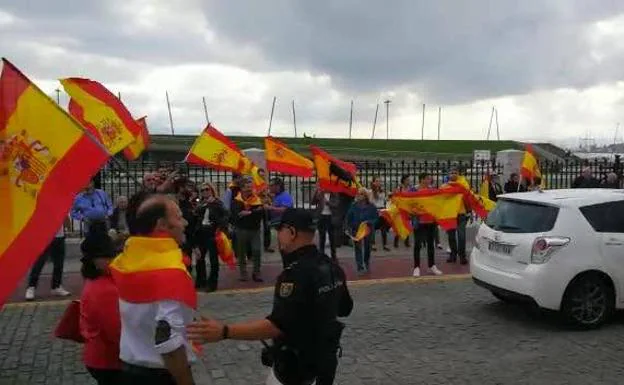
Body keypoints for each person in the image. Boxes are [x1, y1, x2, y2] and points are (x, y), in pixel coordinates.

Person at [186, 208, 353, 385]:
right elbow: (345, 308)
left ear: (292, 232)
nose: (278, 236)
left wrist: (224, 331)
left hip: (295, 371)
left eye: (279, 230)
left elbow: (276, 326)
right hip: (325, 363)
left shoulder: (294, 274)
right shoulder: (332, 266)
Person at [109, 194, 196, 385]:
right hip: (161, 374)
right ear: (162, 225)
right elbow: (168, 342)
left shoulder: (127, 259)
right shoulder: (169, 271)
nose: (185, 222)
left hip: (130, 366)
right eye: (179, 217)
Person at [79, 221, 122, 385]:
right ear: (95, 261)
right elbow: (114, 331)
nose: (113, 259)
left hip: (98, 357)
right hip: (109, 360)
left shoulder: (96, 280)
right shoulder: (104, 289)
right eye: (108, 257)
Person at [25, 219, 71, 300]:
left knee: (59, 263)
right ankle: (31, 287)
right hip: (44, 235)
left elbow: (65, 214)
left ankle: (56, 286)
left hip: (59, 236)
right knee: (39, 262)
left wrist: (68, 226)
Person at [194, 183, 228, 291]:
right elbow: (195, 216)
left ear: (211, 190)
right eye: (202, 190)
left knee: (213, 260)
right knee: (200, 258)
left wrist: (220, 228)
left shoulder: (217, 203)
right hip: (201, 234)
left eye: (207, 189)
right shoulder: (199, 204)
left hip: (212, 233)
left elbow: (226, 216)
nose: (205, 192)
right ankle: (201, 280)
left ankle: (212, 283)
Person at [231, 177, 265, 282]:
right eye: (247, 187)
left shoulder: (257, 199)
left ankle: (256, 273)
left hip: (255, 230)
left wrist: (249, 213)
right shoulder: (236, 200)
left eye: (251, 186)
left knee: (257, 251)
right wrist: (251, 212)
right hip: (241, 230)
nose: (250, 189)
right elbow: (236, 215)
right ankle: (243, 273)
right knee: (241, 253)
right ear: (241, 188)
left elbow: (260, 213)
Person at [412, 173, 443, 277]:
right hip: (419, 221)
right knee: (417, 244)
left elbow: (437, 202)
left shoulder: (432, 190)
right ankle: (416, 267)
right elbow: (408, 203)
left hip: (431, 221)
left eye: (430, 179)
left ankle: (432, 265)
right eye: (427, 179)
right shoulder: (414, 190)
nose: (430, 180)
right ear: (421, 180)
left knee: (431, 244)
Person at [345, 188, 379, 274]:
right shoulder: (354, 205)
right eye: (358, 194)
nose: (359, 195)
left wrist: (369, 222)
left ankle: (366, 262)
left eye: (361, 194)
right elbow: (348, 217)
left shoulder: (371, 206)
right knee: (358, 248)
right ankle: (359, 266)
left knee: (367, 247)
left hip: (367, 229)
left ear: (365, 196)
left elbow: (376, 218)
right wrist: (348, 228)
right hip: (356, 230)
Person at [444, 168, 469, 265]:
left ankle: (462, 256)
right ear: (448, 175)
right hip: (450, 215)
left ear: (458, 174)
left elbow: (466, 192)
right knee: (451, 236)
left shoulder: (463, 184)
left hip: (461, 214)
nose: (453, 174)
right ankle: (453, 255)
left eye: (455, 173)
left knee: (461, 236)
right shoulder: (445, 186)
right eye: (451, 173)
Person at [393, 174, 413, 248]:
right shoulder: (399, 188)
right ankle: (396, 240)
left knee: (407, 224)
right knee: (399, 225)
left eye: (409, 180)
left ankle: (406, 241)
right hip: (400, 209)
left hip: (407, 209)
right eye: (408, 180)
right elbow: (395, 196)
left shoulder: (410, 188)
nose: (409, 181)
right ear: (404, 180)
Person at [370, 177, 389, 252]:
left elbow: (385, 200)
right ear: (373, 182)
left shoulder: (382, 191)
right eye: (377, 181)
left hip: (382, 211)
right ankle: (373, 244)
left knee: (383, 228)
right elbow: (370, 202)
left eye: (380, 181)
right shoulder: (371, 192)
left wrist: (388, 196)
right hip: (375, 211)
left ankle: (385, 245)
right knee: (373, 228)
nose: (379, 183)